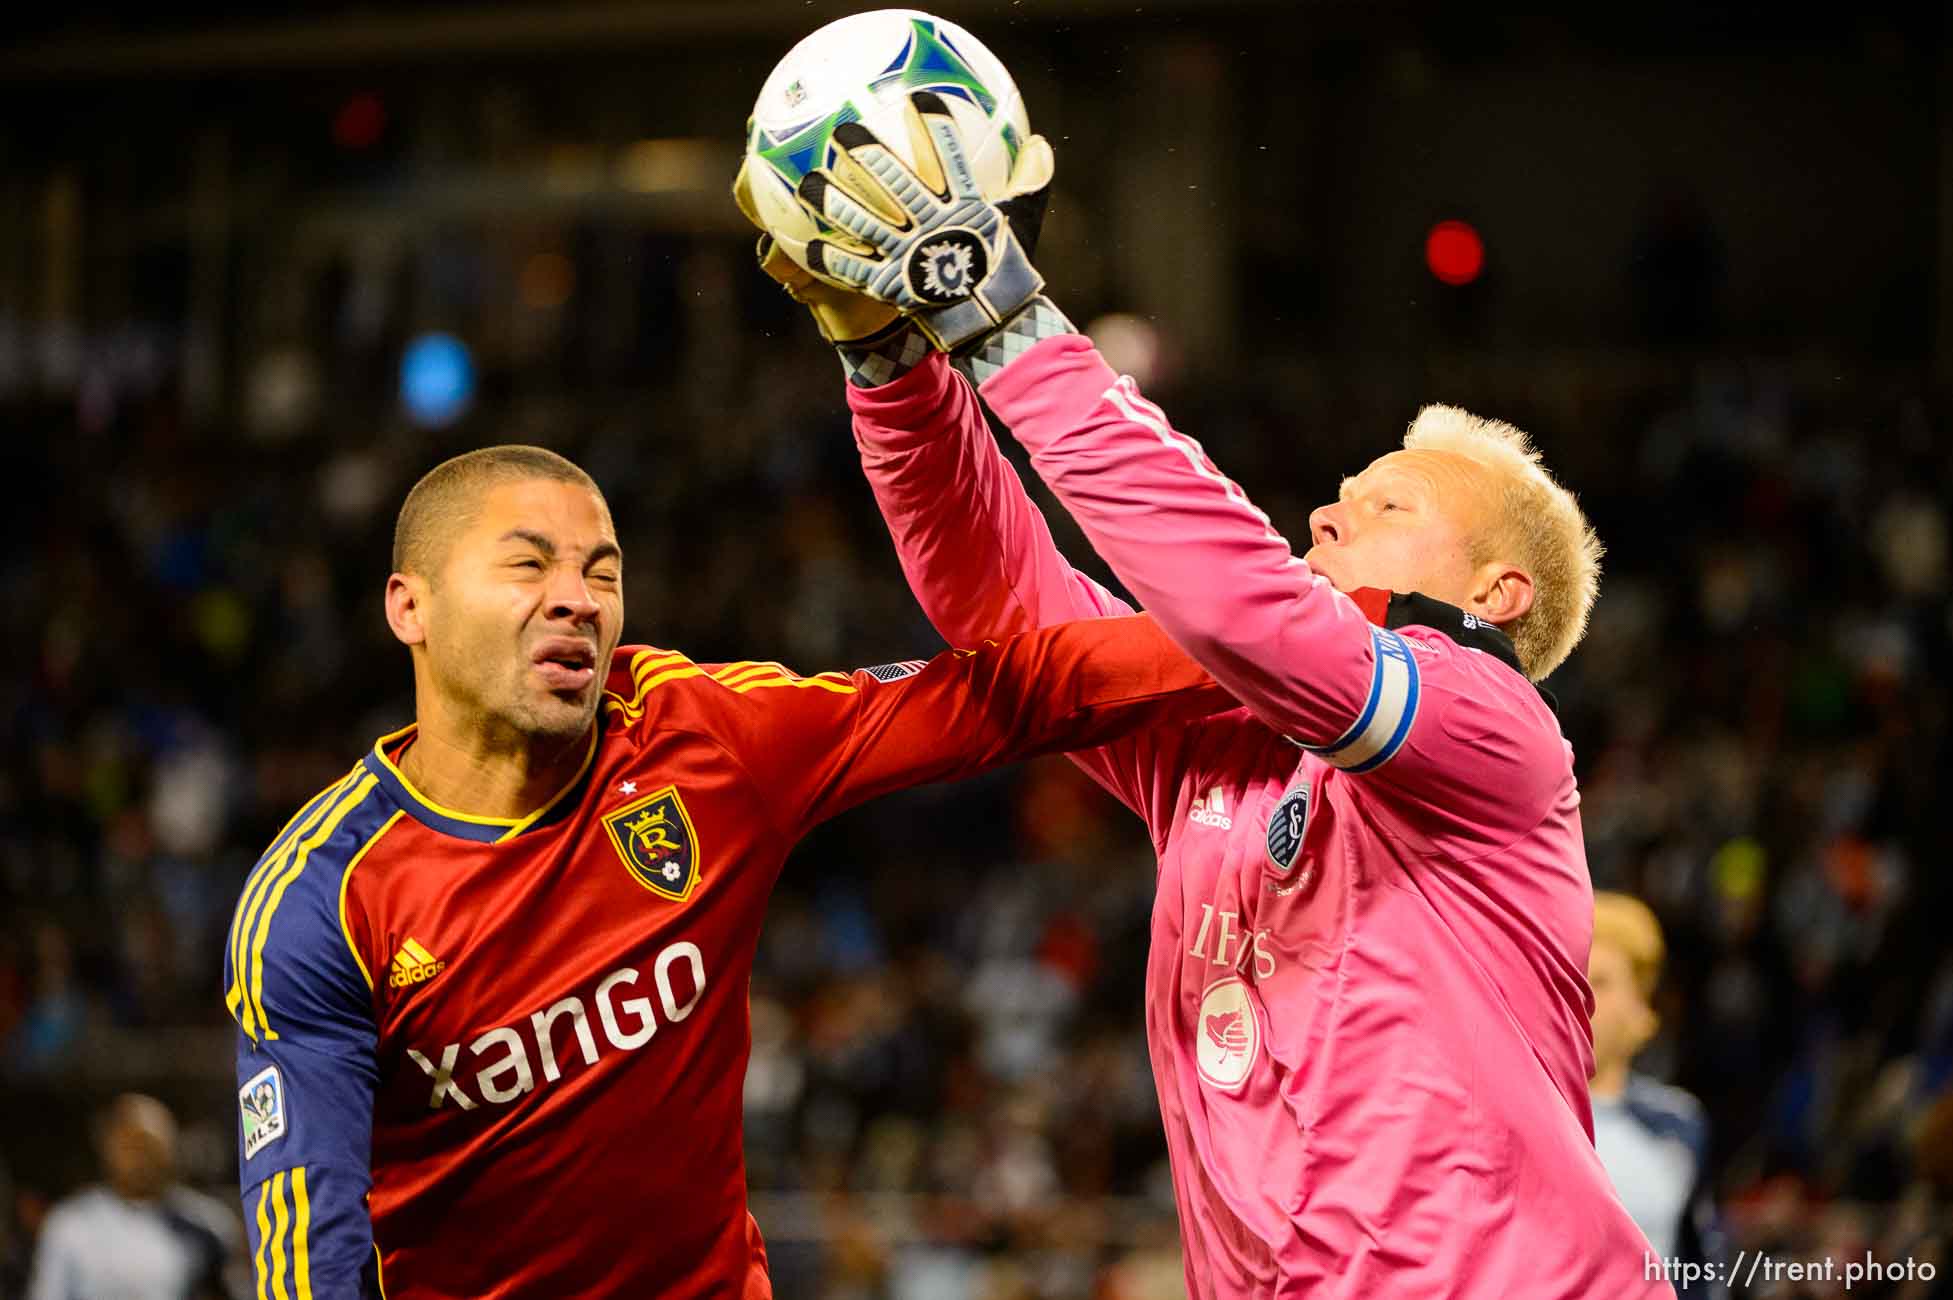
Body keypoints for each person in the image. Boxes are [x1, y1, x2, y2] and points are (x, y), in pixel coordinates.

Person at [737, 90, 1673, 1297]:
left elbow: (1243, 602)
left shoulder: (1490, 726)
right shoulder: (1219, 744)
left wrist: (1005, 319)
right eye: (1340, 492)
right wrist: (891, 364)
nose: (1328, 513)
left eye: (1387, 506)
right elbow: (1008, 610)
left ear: (1493, 591)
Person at [223, 444, 1229, 1297]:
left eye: (603, 572)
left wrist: (1290, 634)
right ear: (411, 607)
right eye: (528, 566)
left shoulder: (700, 739)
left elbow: (1004, 698)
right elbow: (308, 1239)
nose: (575, 599)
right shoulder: (323, 898)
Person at [1589, 892, 1725, 1296]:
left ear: (1641, 1002)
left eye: (1601, 982)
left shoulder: (1677, 1125)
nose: (1583, 999)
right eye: (1570, 978)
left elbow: (1702, 1267)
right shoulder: (1518, 1119)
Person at [27, 1093, 244, 1300]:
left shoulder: (207, 1224)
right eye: (129, 1146)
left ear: (170, 1148)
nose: (140, 1158)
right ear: (108, 1148)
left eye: (149, 1145)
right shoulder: (70, 1225)